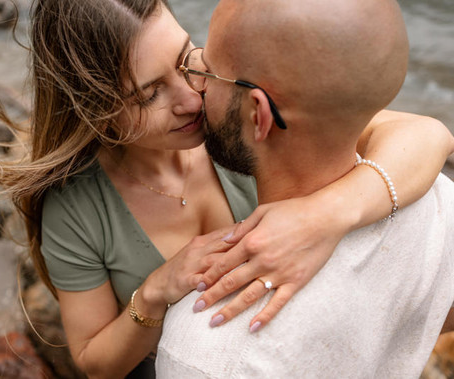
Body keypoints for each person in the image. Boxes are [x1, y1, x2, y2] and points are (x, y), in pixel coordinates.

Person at [0, 0, 450, 377]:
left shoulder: (235, 118)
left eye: (186, 58)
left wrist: (324, 215)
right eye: (147, 94)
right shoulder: (77, 206)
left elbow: (426, 133)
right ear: (94, 110)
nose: (190, 96)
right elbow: (93, 362)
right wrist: (157, 291)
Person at [155, 0, 454, 377]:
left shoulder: (206, 348)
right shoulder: (437, 202)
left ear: (258, 114)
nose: (194, 87)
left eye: (209, 73)